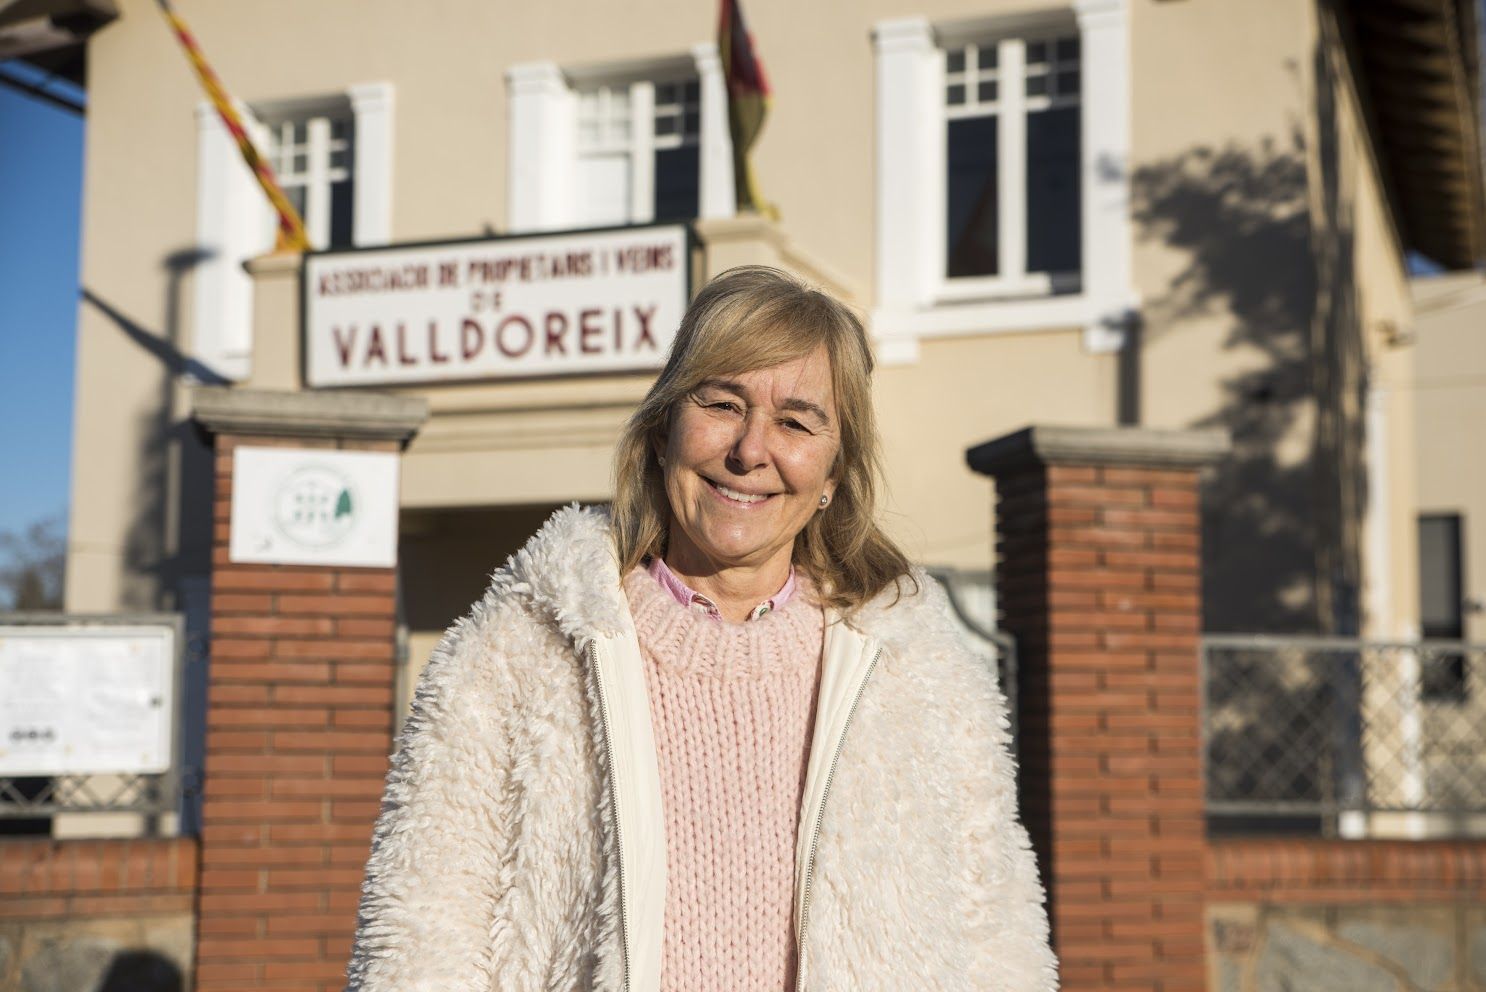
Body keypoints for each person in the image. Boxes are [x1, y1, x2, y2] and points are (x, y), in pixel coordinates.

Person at [344, 266, 1058, 992]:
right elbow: (420, 938)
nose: (750, 451)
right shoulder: (520, 650)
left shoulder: (917, 668)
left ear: (834, 475)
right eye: (722, 403)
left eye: (797, 421)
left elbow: (995, 939)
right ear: (662, 432)